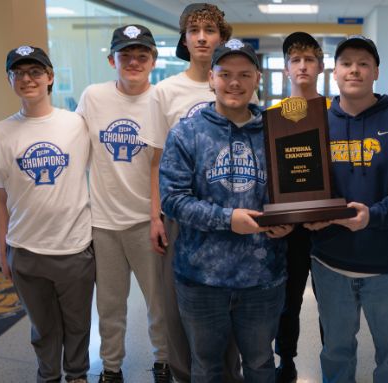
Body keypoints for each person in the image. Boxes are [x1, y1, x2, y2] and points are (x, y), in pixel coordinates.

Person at [159, 39, 293, 383]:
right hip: (201, 277)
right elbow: (172, 199)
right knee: (206, 367)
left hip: (263, 276)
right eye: (226, 73)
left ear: (257, 79)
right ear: (211, 79)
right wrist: (227, 220)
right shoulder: (187, 132)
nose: (235, 82)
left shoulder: (279, 130)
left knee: (261, 364)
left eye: (244, 74)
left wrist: (289, 219)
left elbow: (294, 190)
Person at [305, 35, 388, 382]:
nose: (354, 70)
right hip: (331, 262)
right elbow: (302, 184)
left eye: (363, 64)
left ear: (376, 72)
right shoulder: (316, 125)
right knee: (336, 353)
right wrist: (306, 215)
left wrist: (373, 216)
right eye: (346, 63)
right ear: (335, 72)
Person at [137, 4, 245, 382]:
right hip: (182, 215)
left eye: (210, 30)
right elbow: (155, 161)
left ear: (222, 37)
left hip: (233, 214)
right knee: (176, 305)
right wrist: (156, 216)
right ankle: (184, 375)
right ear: (184, 39)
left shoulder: (237, 83)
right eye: (194, 30)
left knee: (232, 302)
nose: (202, 37)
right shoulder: (165, 91)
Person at [0, 45, 94, 383]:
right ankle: (48, 375)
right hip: (26, 250)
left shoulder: (76, 124)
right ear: (9, 79)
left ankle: (76, 375)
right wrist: (4, 252)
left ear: (50, 78)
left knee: (77, 324)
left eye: (35, 72)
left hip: (74, 247)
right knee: (43, 327)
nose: (27, 79)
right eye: (19, 73)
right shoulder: (0, 133)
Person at [75, 24, 170, 383]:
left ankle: (163, 361)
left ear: (153, 60)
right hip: (103, 222)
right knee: (110, 305)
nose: (133, 61)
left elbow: (163, 164)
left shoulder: (160, 100)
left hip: (147, 220)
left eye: (141, 55)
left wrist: (157, 214)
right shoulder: (93, 97)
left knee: (158, 304)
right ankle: (111, 368)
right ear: (111, 59)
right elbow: (77, 153)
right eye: (125, 54)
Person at [269, 31, 326, 383]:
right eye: (295, 60)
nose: (302, 66)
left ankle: (331, 356)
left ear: (320, 66)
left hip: (326, 224)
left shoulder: (335, 110)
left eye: (309, 59)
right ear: (287, 69)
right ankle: (286, 359)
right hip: (288, 226)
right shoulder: (273, 114)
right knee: (288, 301)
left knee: (330, 303)